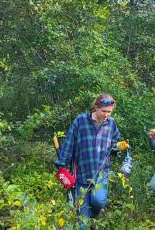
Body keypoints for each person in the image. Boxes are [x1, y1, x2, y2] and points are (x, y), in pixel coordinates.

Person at [54, 93, 129, 221]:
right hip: (82, 173)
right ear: (96, 107)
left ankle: (94, 217)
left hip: (101, 173)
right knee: (82, 220)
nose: (106, 114)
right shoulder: (81, 120)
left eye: (109, 112)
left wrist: (118, 147)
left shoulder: (111, 124)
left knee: (99, 201)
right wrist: (62, 164)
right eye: (104, 111)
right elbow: (69, 143)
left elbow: (113, 144)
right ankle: (88, 222)